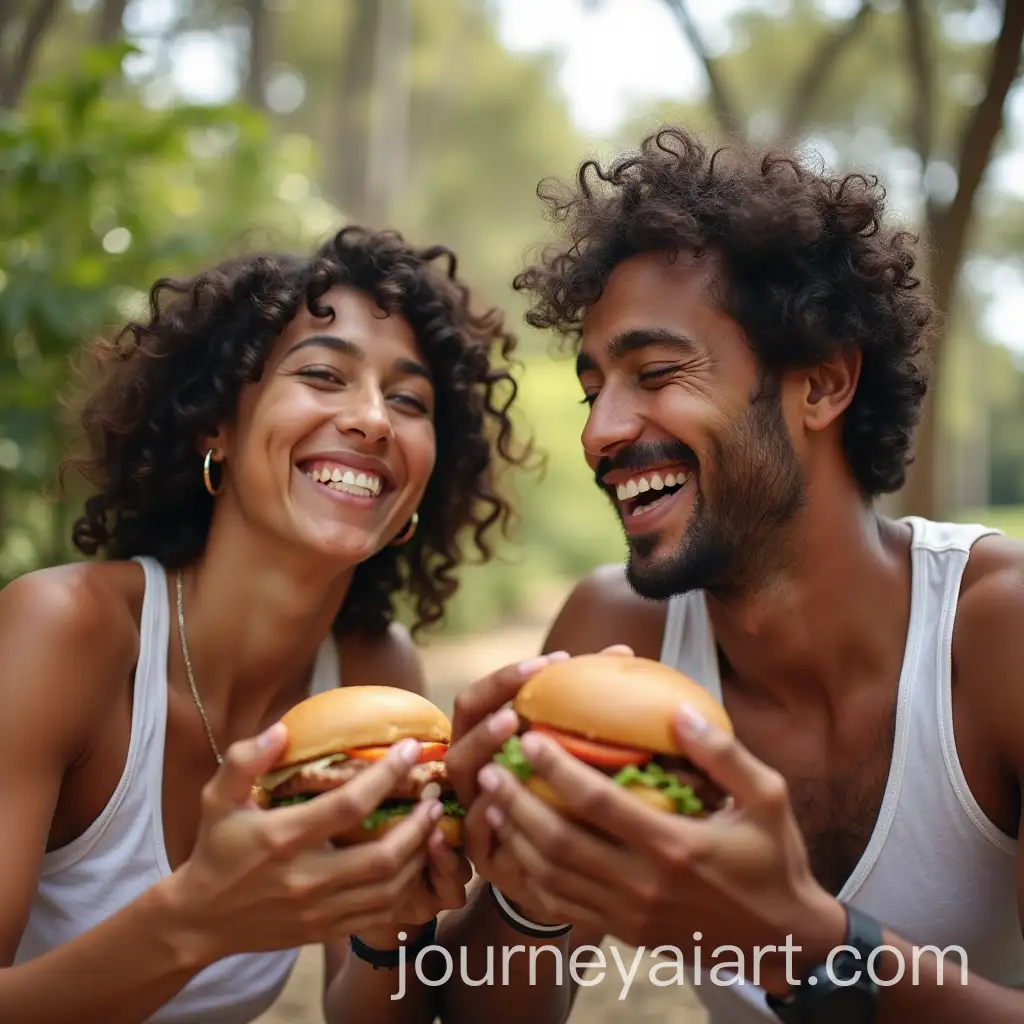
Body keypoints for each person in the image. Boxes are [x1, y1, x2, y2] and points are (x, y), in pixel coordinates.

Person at [445, 126, 1024, 1024]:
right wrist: (526, 886)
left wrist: (798, 939)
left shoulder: (999, 632)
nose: (600, 430)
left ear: (823, 386)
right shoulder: (614, 643)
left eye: (658, 371)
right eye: (596, 386)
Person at [0, 225, 545, 1024]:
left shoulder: (374, 675)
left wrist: (391, 928)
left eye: (409, 399)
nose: (373, 421)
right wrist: (196, 918)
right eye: (323, 374)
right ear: (213, 424)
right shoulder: (63, 631)